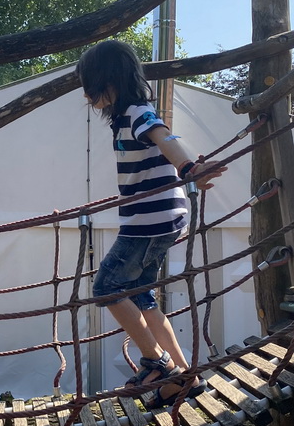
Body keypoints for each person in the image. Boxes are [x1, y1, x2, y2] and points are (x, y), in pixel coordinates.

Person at [77, 40, 226, 406]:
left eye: (88, 83)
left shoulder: (137, 112)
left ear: (106, 81)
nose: (84, 93)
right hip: (161, 217)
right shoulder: (126, 117)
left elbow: (164, 135)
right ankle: (186, 374)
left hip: (149, 220)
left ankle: (156, 364)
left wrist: (188, 168)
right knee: (141, 293)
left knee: (107, 288)